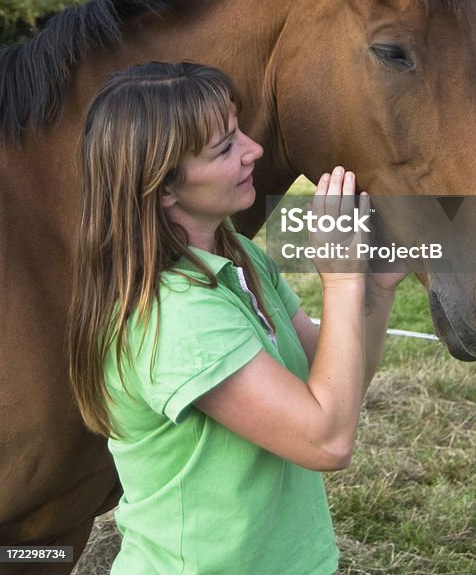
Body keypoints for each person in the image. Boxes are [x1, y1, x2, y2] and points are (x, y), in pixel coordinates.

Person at [68, 60, 404, 575]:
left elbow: (339, 390)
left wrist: (374, 292)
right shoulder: (175, 315)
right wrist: (339, 278)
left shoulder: (241, 255)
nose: (254, 150)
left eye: (238, 130)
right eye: (224, 147)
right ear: (162, 188)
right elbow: (327, 440)